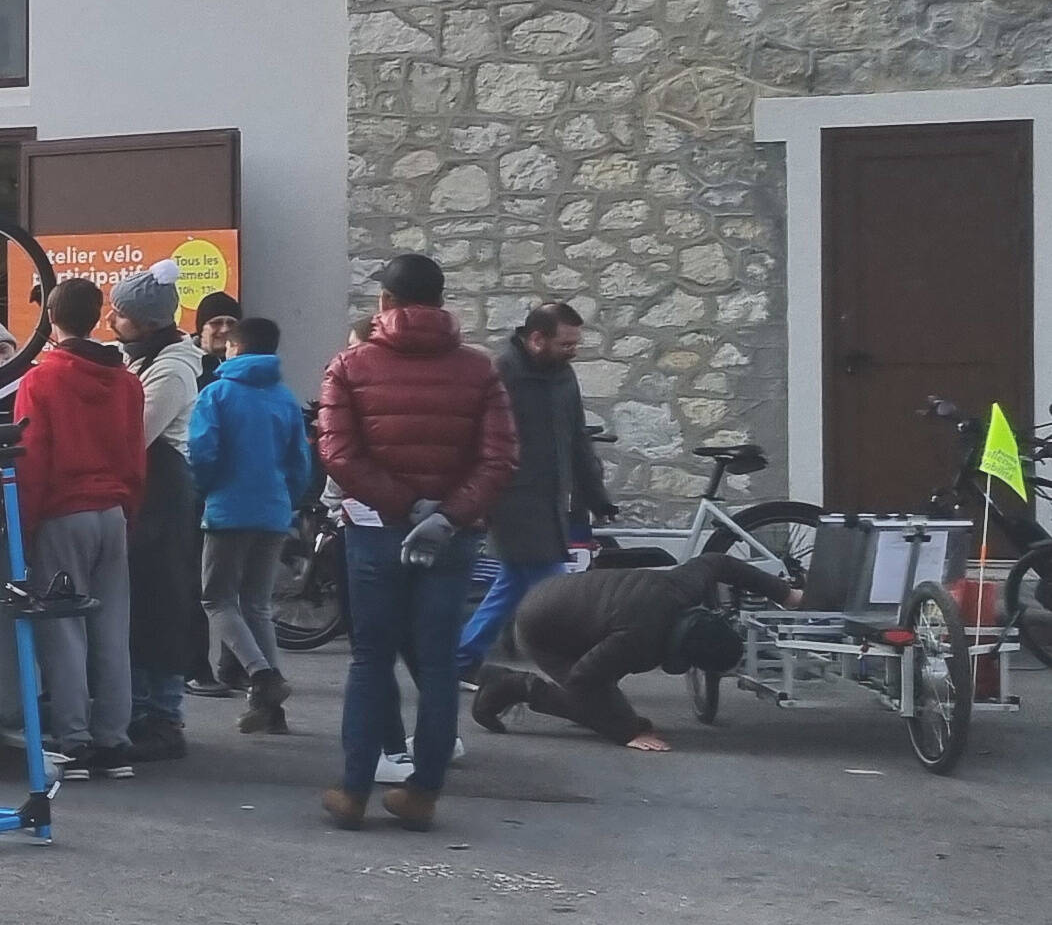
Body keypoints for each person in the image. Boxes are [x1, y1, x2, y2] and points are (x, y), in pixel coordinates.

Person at [316, 252, 518, 832]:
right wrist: (448, 515)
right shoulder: (480, 370)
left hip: (377, 532)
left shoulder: (350, 365)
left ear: (386, 303)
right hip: (451, 540)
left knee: (370, 658)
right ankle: (422, 792)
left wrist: (405, 506)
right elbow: (499, 457)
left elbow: (337, 453)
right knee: (435, 664)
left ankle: (354, 789)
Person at [13, 279, 144, 780]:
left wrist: (24, 526)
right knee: (113, 627)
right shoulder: (127, 381)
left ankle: (75, 739)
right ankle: (115, 739)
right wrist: (128, 504)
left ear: (50, 317)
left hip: (63, 512)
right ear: (100, 316)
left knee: (64, 628)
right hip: (113, 509)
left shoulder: (40, 379)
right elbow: (136, 452)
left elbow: (32, 459)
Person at [472, 554, 799, 749]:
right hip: (542, 630)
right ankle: (512, 686)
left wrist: (784, 593)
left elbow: (717, 562)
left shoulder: (681, 589)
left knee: (606, 698)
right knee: (591, 704)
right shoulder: (636, 641)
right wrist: (627, 730)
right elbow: (583, 680)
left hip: (563, 596)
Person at [460, 300, 614, 681]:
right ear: (536, 339)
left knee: (512, 585)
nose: (573, 351)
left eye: (575, 343)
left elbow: (577, 438)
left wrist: (595, 495)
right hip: (513, 499)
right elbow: (474, 438)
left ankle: (460, 659)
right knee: (557, 591)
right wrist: (478, 498)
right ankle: (580, 674)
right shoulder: (500, 374)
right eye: (566, 344)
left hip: (552, 499)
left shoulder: (564, 376)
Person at [188, 317, 313, 733]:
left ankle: (262, 676)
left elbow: (203, 453)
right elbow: (301, 463)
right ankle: (270, 709)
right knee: (257, 605)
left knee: (216, 599)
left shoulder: (217, 394)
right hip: (274, 511)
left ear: (235, 349)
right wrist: (286, 501)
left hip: (228, 510)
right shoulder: (284, 397)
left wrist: (205, 492)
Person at [110, 264, 208, 762]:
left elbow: (137, 434)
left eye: (121, 314)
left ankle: (162, 716)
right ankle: (141, 707)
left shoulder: (170, 369)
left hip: (163, 498)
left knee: (160, 603)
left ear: (146, 323)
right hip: (150, 495)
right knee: (143, 603)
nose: (112, 320)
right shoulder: (145, 359)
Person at [194, 290, 243, 381]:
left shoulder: (247, 364)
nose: (224, 330)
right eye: (216, 323)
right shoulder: (185, 361)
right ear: (201, 329)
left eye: (231, 323)